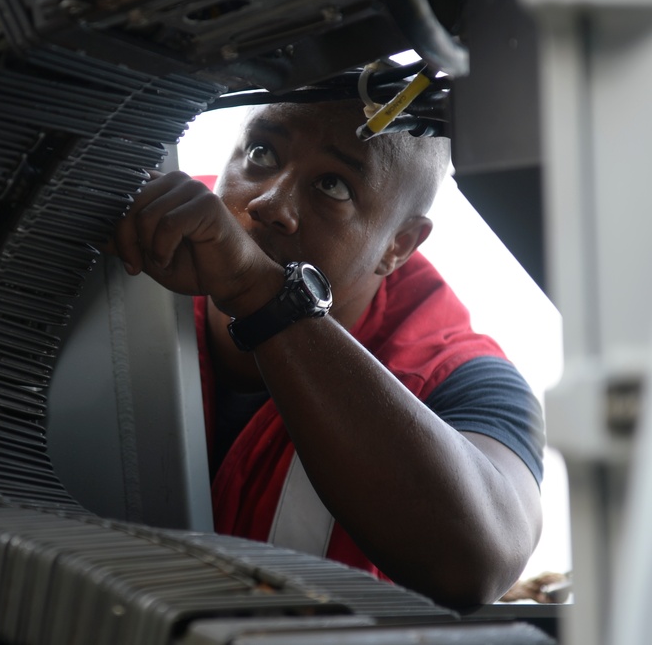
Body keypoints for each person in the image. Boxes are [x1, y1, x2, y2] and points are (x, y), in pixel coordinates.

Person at [109, 98, 545, 609]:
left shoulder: (454, 373)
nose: (270, 203)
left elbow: (476, 563)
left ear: (398, 246)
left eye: (332, 185)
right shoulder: (133, 229)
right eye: (261, 153)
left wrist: (263, 293)